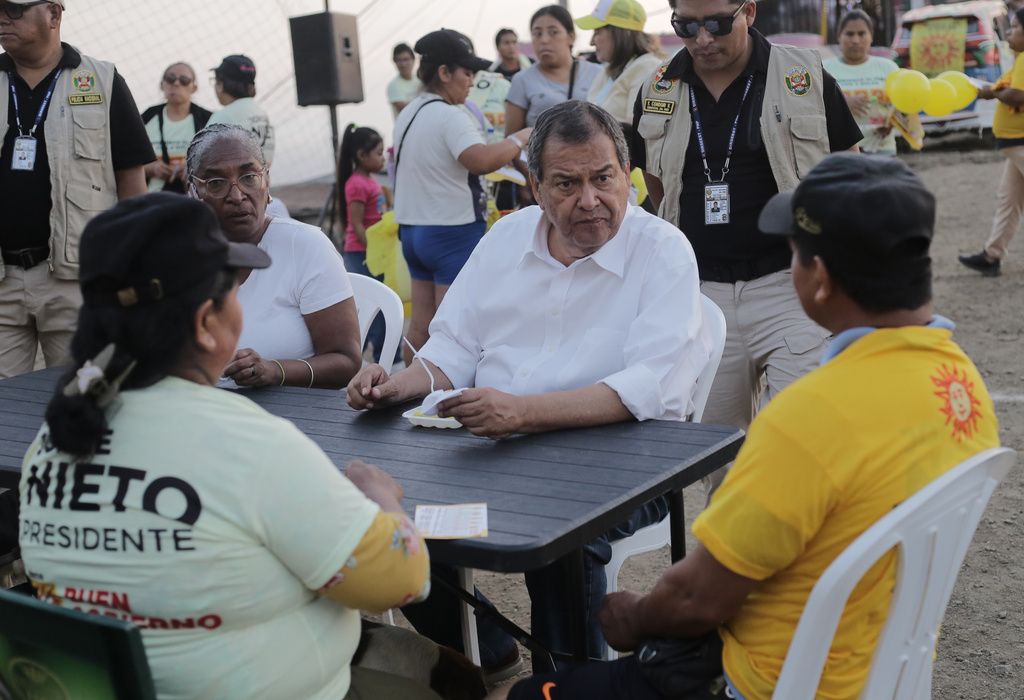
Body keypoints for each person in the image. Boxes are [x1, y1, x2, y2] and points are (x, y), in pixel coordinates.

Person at [487, 152, 1000, 700]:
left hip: (762, 682)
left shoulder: (814, 415)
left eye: (793, 256)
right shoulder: (961, 383)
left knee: (510, 697)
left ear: (819, 280)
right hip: (877, 670)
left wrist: (631, 616)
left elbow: (695, 601)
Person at [18, 192, 442, 700]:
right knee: (454, 677)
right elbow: (401, 579)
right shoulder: (247, 443)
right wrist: (385, 501)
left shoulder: (54, 437)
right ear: (205, 323)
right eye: (233, 292)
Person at [351, 100, 713, 675]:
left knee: (564, 537)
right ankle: (492, 650)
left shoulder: (662, 250)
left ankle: (566, 681)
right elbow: (454, 346)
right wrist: (398, 384)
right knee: (387, 504)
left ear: (628, 176)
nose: (589, 200)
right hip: (498, 450)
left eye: (603, 179)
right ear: (536, 187)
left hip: (627, 464)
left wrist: (523, 413)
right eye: (567, 184)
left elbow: (653, 389)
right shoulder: (507, 238)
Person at [632, 0, 862, 499]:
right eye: (685, 26)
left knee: (795, 445)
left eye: (716, 23)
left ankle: (794, 567)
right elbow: (656, 183)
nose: (702, 38)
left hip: (791, 288)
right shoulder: (657, 90)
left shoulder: (804, 75)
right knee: (720, 459)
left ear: (749, 12)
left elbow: (849, 169)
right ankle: (734, 568)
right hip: (701, 297)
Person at [0, 0, 154, 379]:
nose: (3, 17)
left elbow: (132, 182)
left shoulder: (102, 80)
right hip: (1, 280)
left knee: (79, 400)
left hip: (77, 283)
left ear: (53, 14)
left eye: (14, 8)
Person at [392, 29, 532, 368]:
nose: (471, 82)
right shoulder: (451, 114)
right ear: (444, 73)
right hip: (450, 233)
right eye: (466, 73)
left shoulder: (409, 111)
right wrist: (520, 138)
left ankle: (408, 393)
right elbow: (479, 159)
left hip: (413, 232)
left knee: (421, 326)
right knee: (451, 331)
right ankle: (440, 402)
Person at [187, 124, 362, 389]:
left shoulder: (304, 246)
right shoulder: (179, 257)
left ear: (266, 180)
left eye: (249, 177)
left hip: (293, 417)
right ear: (193, 191)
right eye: (216, 183)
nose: (236, 196)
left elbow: (346, 361)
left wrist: (275, 370)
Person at [958, 6, 1024, 277]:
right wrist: (994, 92)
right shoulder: (1019, 60)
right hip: (1013, 143)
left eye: (1014, 27)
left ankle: (992, 255)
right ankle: (992, 255)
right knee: (1008, 201)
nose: (1008, 33)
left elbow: (1019, 96)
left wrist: (993, 94)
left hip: (1020, 141)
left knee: (1008, 201)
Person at [339, 122, 396, 364]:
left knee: (383, 306)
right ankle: (374, 358)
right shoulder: (356, 183)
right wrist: (372, 251)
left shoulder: (370, 179)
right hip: (361, 254)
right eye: (378, 152)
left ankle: (386, 355)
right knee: (371, 308)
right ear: (361, 156)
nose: (382, 158)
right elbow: (357, 224)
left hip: (373, 253)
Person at [822, 10, 899, 156]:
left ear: (871, 36)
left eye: (862, 34)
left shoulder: (888, 68)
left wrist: (892, 122)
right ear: (839, 36)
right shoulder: (823, 68)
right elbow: (811, 107)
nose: (856, 40)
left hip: (882, 150)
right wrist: (841, 103)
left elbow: (903, 104)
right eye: (850, 34)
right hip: (840, 153)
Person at [577, 0, 666, 124]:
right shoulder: (608, 73)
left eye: (597, 32)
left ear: (618, 34)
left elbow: (636, 129)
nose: (591, 42)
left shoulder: (647, 68)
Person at [140, 61, 212, 193]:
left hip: (195, 202)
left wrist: (195, 169)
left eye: (184, 80)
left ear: (194, 88)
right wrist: (151, 168)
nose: (176, 83)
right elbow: (128, 160)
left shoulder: (208, 119)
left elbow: (221, 161)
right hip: (152, 201)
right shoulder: (147, 117)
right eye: (170, 78)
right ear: (162, 85)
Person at [208, 54, 274, 164]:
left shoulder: (223, 117)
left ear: (220, 85)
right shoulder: (262, 114)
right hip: (259, 179)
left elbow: (203, 161)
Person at [387, 43, 421, 120]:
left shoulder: (421, 81)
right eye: (399, 60)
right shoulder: (394, 85)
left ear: (413, 60)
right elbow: (404, 109)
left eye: (406, 59)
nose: (403, 64)